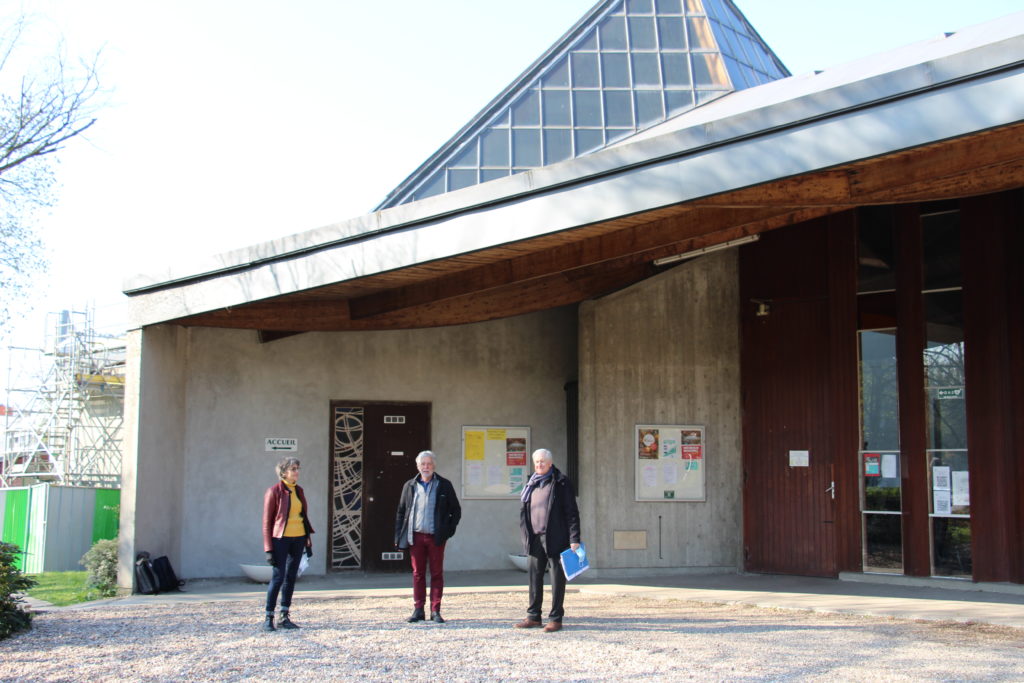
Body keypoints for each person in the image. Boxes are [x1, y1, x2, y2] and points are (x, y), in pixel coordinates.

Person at [515, 448, 581, 633]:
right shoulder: (531, 483)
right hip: (535, 536)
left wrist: (574, 537)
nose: (539, 465)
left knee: (557, 579)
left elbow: (572, 512)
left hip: (556, 537)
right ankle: (533, 616)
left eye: (543, 462)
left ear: (550, 463)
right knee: (534, 577)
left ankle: (555, 618)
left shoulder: (561, 482)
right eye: (536, 462)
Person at [394, 450, 462, 624]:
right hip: (415, 537)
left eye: (429, 463)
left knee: (437, 573)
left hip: (436, 537)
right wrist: (398, 535)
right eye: (423, 464)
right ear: (418, 466)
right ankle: (418, 609)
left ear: (434, 465)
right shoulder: (409, 485)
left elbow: (456, 510)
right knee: (418, 573)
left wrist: (448, 531)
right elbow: (401, 512)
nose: (426, 467)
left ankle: (435, 610)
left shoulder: (444, 485)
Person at [262, 457, 314, 632]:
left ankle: (284, 615)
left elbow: (303, 517)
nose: (297, 471)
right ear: (283, 472)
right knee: (278, 576)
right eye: (293, 469)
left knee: (291, 577)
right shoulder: (274, 491)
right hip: (280, 539)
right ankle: (269, 616)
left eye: (298, 468)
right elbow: (267, 522)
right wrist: (268, 548)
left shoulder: (299, 491)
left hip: (298, 538)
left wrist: (307, 541)